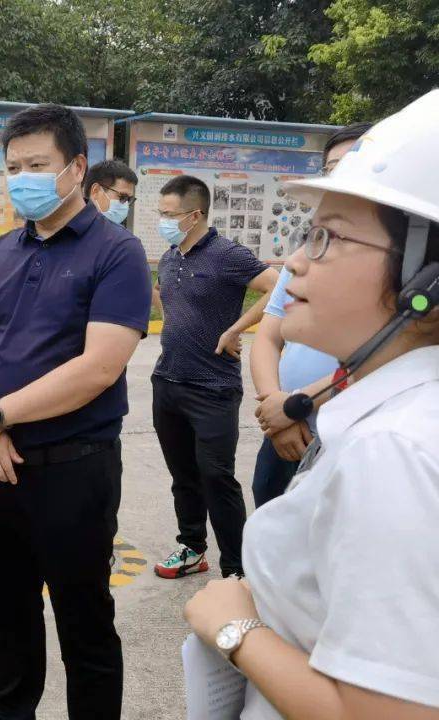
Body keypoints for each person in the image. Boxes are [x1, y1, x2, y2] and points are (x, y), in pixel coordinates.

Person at [185, 89, 439, 720]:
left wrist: (235, 630)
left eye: (327, 238)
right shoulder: (395, 413)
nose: (294, 262)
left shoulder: (395, 452)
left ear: (425, 286)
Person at [0, 104, 152, 720]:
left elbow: (99, 367)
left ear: (75, 167)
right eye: (12, 167)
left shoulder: (118, 253)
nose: (22, 179)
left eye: (37, 165)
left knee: (84, 623)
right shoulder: (1, 251)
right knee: (5, 619)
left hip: (74, 470)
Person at [151, 175, 279, 579]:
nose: (162, 221)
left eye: (168, 214)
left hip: (213, 388)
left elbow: (278, 288)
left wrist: (237, 328)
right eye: (160, 213)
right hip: (168, 381)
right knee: (183, 476)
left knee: (216, 477)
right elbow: (175, 309)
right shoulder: (171, 257)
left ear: (195, 215)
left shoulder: (228, 255)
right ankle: (191, 547)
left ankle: (237, 570)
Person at [248, 123, 371, 507]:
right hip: (285, 429)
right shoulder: (307, 251)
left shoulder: (396, 262)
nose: (341, 177)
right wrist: (275, 406)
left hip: (346, 435)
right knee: (270, 514)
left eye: (355, 163)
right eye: (332, 167)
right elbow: (268, 337)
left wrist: (294, 405)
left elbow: (390, 357)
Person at [83, 159, 138, 225]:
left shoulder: (121, 234)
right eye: (123, 197)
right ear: (96, 191)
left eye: (129, 199)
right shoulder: (70, 228)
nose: (125, 205)